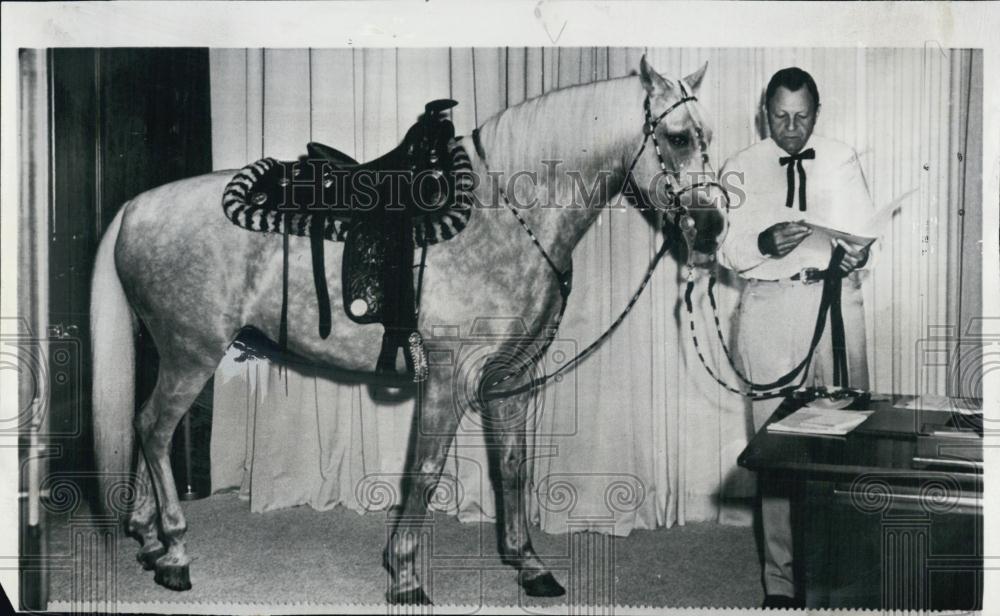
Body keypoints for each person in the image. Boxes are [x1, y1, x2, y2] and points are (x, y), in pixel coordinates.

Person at [718, 67, 875, 609]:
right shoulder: (740, 167)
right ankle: (781, 586)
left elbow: (863, 232)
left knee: (844, 442)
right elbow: (728, 253)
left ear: (817, 113)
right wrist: (764, 239)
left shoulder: (841, 157)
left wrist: (860, 252)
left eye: (802, 117)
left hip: (835, 308)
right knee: (778, 454)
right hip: (767, 311)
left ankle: (838, 577)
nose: (791, 128)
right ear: (765, 113)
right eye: (781, 117)